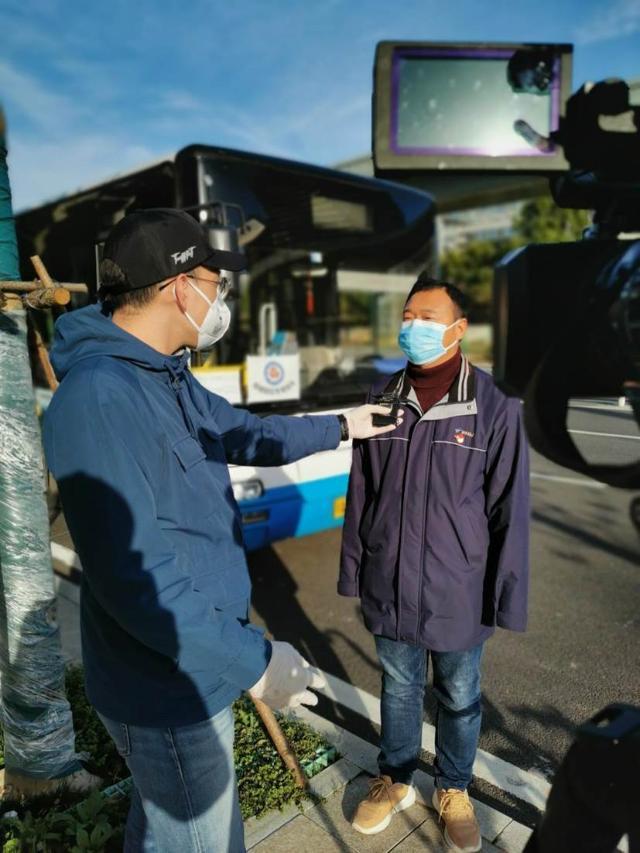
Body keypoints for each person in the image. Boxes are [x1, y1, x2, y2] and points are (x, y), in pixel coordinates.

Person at [43, 208, 402, 853]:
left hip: (196, 664)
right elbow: (138, 585)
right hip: (166, 690)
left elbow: (246, 433)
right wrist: (254, 664)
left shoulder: (163, 374)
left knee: (165, 827)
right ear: (180, 287)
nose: (222, 298)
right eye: (217, 282)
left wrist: (341, 426)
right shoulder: (99, 399)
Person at [339, 274, 530, 853]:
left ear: (459, 328)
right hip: (389, 579)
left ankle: (453, 788)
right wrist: (355, 570)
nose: (414, 326)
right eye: (408, 316)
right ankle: (396, 777)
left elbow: (509, 509)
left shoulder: (494, 405)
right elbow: (362, 493)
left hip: (458, 587)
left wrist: (504, 596)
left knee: (459, 694)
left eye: (428, 317)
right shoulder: (382, 397)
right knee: (398, 686)